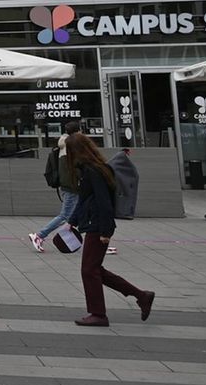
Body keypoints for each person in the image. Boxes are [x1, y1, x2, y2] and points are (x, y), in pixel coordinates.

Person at [66, 132, 155, 327]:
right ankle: (142, 296)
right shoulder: (91, 169)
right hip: (95, 224)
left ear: (77, 151)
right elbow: (85, 200)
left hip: (98, 226)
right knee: (95, 269)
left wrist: (106, 231)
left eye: (69, 151)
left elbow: (104, 202)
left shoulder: (93, 171)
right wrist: (71, 222)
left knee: (89, 270)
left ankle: (98, 314)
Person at [29, 122, 82, 252]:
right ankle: (39, 235)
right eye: (80, 131)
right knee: (65, 216)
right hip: (71, 187)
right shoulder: (69, 146)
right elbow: (72, 171)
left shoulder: (65, 145)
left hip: (69, 187)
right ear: (76, 132)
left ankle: (94, 243)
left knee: (78, 215)